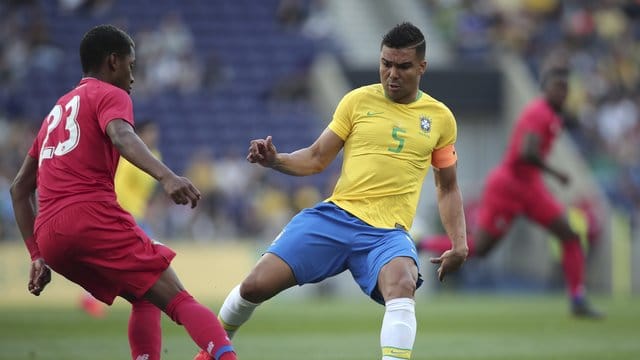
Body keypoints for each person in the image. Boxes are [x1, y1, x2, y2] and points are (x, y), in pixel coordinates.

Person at [194, 22, 468, 360]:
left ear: (421, 67)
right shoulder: (357, 101)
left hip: (387, 234)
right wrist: (275, 160)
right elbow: (315, 158)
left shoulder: (440, 119)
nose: (392, 74)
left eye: (403, 66)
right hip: (335, 218)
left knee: (402, 284)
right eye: (386, 63)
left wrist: (459, 242)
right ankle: (210, 354)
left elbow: (447, 186)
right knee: (254, 286)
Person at [9, 24, 236, 360]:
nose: (133, 77)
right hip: (90, 216)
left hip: (50, 237)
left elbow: (18, 189)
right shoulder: (110, 94)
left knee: (143, 296)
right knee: (177, 298)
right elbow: (121, 135)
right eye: (131, 66)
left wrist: (36, 254)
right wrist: (167, 176)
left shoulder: (56, 111)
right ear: (113, 61)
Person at [418, 65, 603, 318]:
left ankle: (578, 299)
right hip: (508, 187)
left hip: (530, 187)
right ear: (544, 89)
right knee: (480, 248)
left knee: (569, 234)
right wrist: (556, 173)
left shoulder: (550, 115)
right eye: (557, 88)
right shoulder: (540, 113)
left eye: (565, 89)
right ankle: (422, 243)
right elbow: (527, 151)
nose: (562, 93)